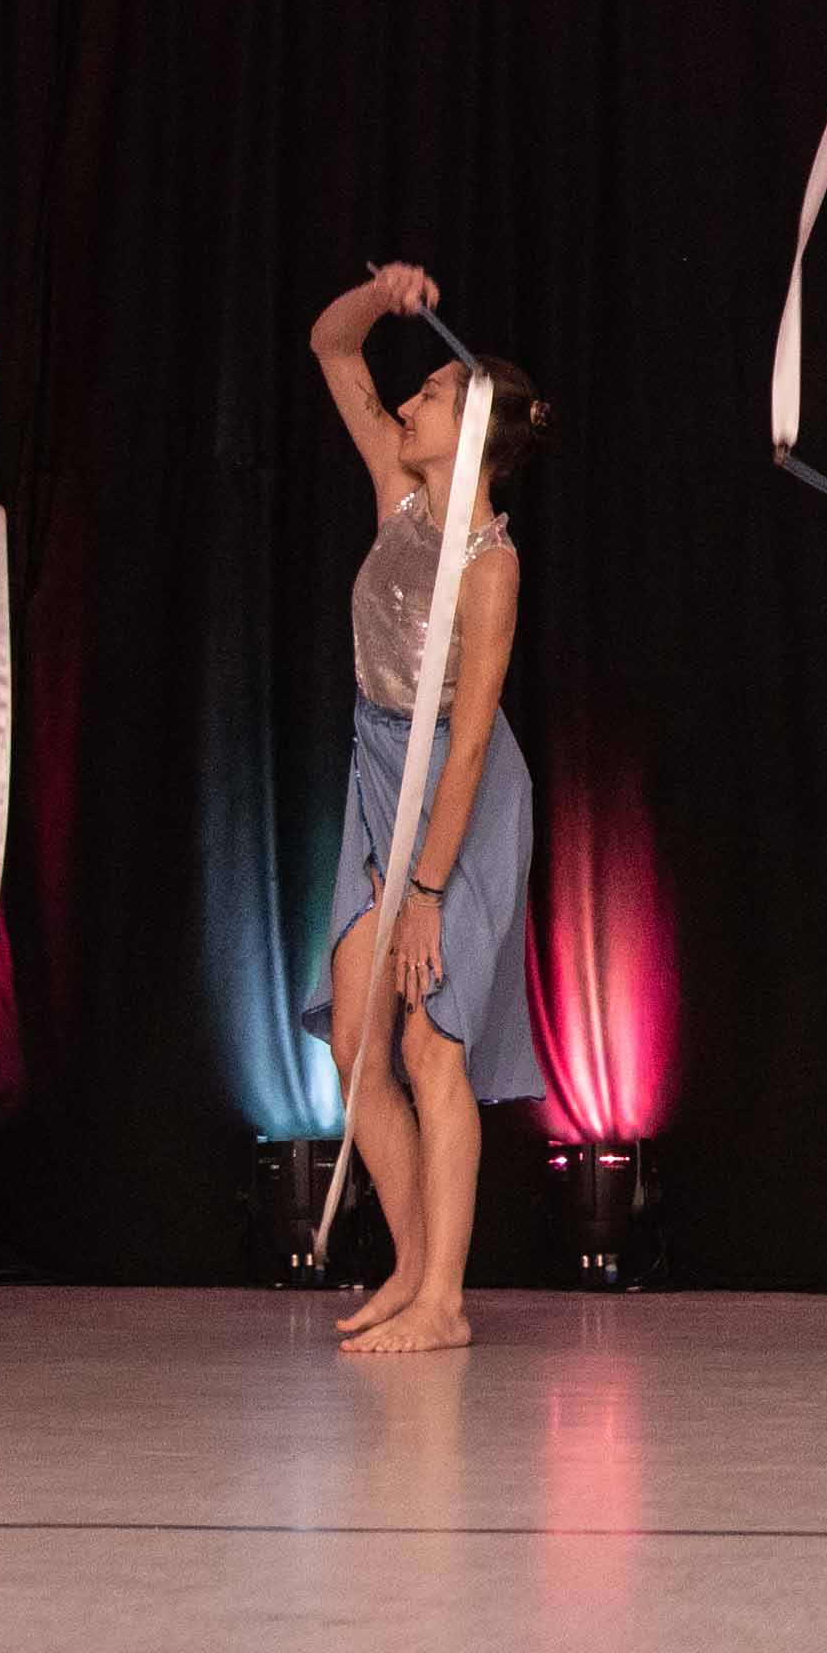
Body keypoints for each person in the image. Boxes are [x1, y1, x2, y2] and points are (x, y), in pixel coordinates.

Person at [306, 261, 555, 1358]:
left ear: (477, 429)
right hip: (377, 767)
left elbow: (473, 739)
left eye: (433, 394)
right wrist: (383, 298)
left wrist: (426, 890)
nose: (407, 403)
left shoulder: (493, 566)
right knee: (357, 1040)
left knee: (430, 1042)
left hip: (460, 796)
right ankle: (412, 1268)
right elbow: (332, 346)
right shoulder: (395, 491)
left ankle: (444, 1300)